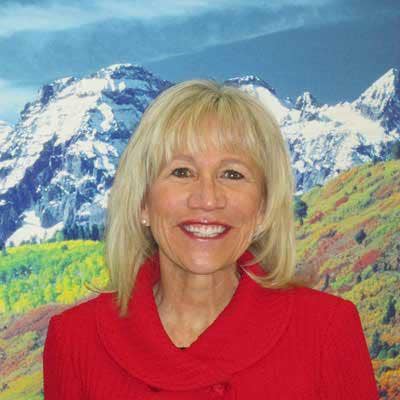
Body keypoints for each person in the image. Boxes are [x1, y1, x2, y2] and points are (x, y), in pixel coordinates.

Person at [43, 79, 379, 399]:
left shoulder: (326, 330)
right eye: (182, 172)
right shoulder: (75, 341)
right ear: (143, 202)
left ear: (263, 208)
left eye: (232, 174)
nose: (207, 198)